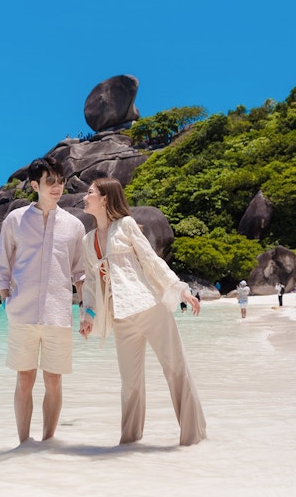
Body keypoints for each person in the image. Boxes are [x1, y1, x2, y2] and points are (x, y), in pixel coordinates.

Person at [80, 177, 206, 446]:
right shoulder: (88, 240)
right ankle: (128, 443)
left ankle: (193, 439)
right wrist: (88, 315)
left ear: (104, 199)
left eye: (90, 192)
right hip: (121, 317)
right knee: (130, 385)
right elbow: (91, 281)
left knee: (175, 369)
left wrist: (179, 288)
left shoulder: (125, 225)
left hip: (149, 306)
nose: (84, 196)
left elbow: (150, 259)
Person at [0, 157, 85, 444]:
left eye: (60, 181)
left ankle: (47, 442)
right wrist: (7, 300)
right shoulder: (15, 220)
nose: (57, 187)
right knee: (24, 378)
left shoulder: (73, 225)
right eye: (50, 182)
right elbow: (2, 265)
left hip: (59, 315)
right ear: (35, 185)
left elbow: (80, 271)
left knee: (54, 380)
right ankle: (23, 444)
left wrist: (86, 308)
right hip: (22, 313)